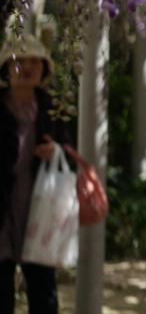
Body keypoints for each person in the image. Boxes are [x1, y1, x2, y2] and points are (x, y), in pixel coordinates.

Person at [0, 32, 72, 314]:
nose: (27, 67)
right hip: (3, 212)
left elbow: (70, 153)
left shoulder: (52, 109)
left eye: (35, 61)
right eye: (19, 61)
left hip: (41, 213)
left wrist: (55, 150)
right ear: (7, 67)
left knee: (43, 291)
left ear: (43, 68)